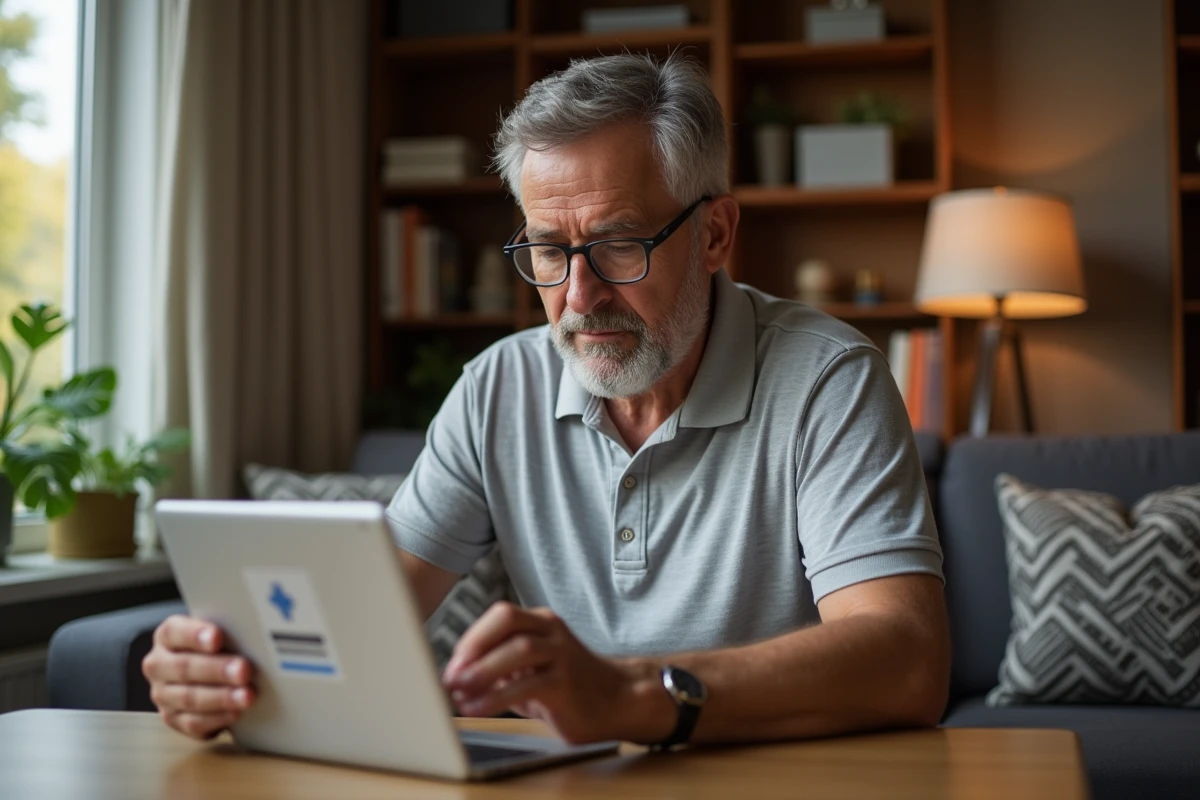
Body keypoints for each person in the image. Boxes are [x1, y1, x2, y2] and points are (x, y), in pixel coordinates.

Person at [143, 52, 950, 748]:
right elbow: (366, 612)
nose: (577, 296)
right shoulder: (498, 387)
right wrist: (229, 668)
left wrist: (633, 695)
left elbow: (906, 657)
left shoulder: (828, 380)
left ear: (714, 235)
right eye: (547, 250)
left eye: (618, 246)